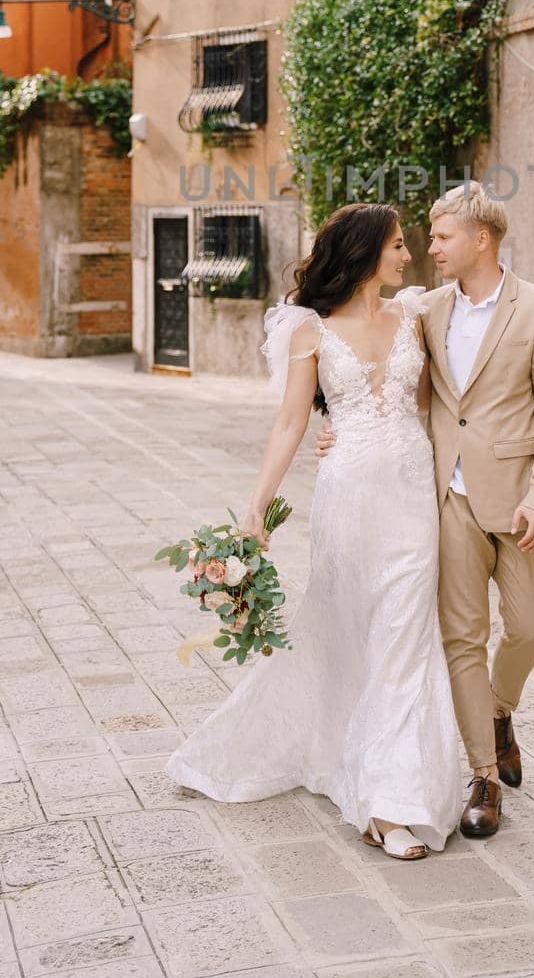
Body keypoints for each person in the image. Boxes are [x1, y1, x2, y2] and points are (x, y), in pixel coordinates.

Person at [164, 202, 460, 861]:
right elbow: (290, 423)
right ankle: (347, 756)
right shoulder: (310, 331)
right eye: (394, 245)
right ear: (362, 253)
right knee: (347, 630)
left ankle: (388, 802)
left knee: (405, 638)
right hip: (349, 498)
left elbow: (427, 402)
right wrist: (254, 510)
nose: (407, 254)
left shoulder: (414, 313)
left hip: (412, 496)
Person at [318, 184, 534, 839]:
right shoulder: (421, 310)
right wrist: (338, 430)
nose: (429, 247)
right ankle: (483, 778)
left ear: (480, 239)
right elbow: (379, 375)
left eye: (440, 236)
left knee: (528, 626)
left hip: (518, 498)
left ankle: (497, 709)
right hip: (441, 499)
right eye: (424, 238)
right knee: (460, 639)